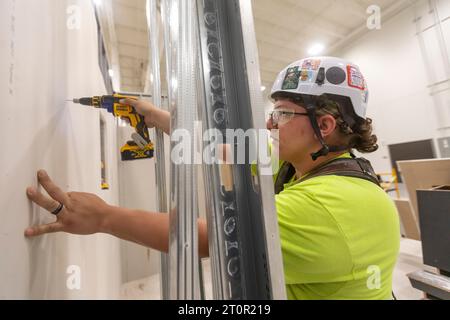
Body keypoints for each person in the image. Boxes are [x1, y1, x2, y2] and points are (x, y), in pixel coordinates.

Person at [25, 57, 400, 300]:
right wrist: (157, 117)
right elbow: (226, 147)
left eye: (283, 114)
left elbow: (202, 238)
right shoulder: (301, 165)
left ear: (325, 125)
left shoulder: (330, 205)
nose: (270, 123)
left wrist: (104, 217)